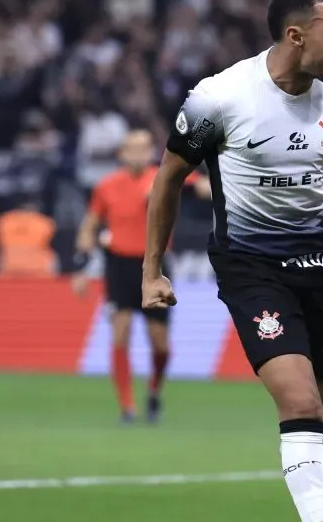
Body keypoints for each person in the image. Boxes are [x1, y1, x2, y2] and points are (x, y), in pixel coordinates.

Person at [141, 0, 323, 522]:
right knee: (300, 405)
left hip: (320, 262)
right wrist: (152, 271)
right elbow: (168, 180)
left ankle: (302, 460)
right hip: (251, 266)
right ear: (296, 36)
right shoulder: (220, 97)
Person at [72, 128, 209, 424]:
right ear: (122, 153)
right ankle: (127, 407)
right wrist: (81, 267)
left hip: (155, 264)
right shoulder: (107, 186)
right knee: (120, 332)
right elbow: (90, 225)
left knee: (160, 343)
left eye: (144, 148)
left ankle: (154, 390)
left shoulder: (162, 176)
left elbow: (202, 188)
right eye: (132, 148)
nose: (139, 154)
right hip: (120, 265)